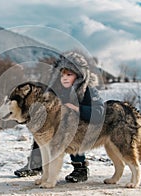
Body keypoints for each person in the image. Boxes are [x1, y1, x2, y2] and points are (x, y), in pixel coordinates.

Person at [14, 51, 104, 183]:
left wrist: (77, 109)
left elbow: (99, 113)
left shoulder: (88, 90)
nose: (65, 77)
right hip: (57, 124)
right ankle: (36, 164)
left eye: (69, 74)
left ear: (79, 75)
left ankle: (80, 168)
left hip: (82, 125)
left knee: (73, 131)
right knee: (42, 128)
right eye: (62, 74)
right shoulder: (55, 88)